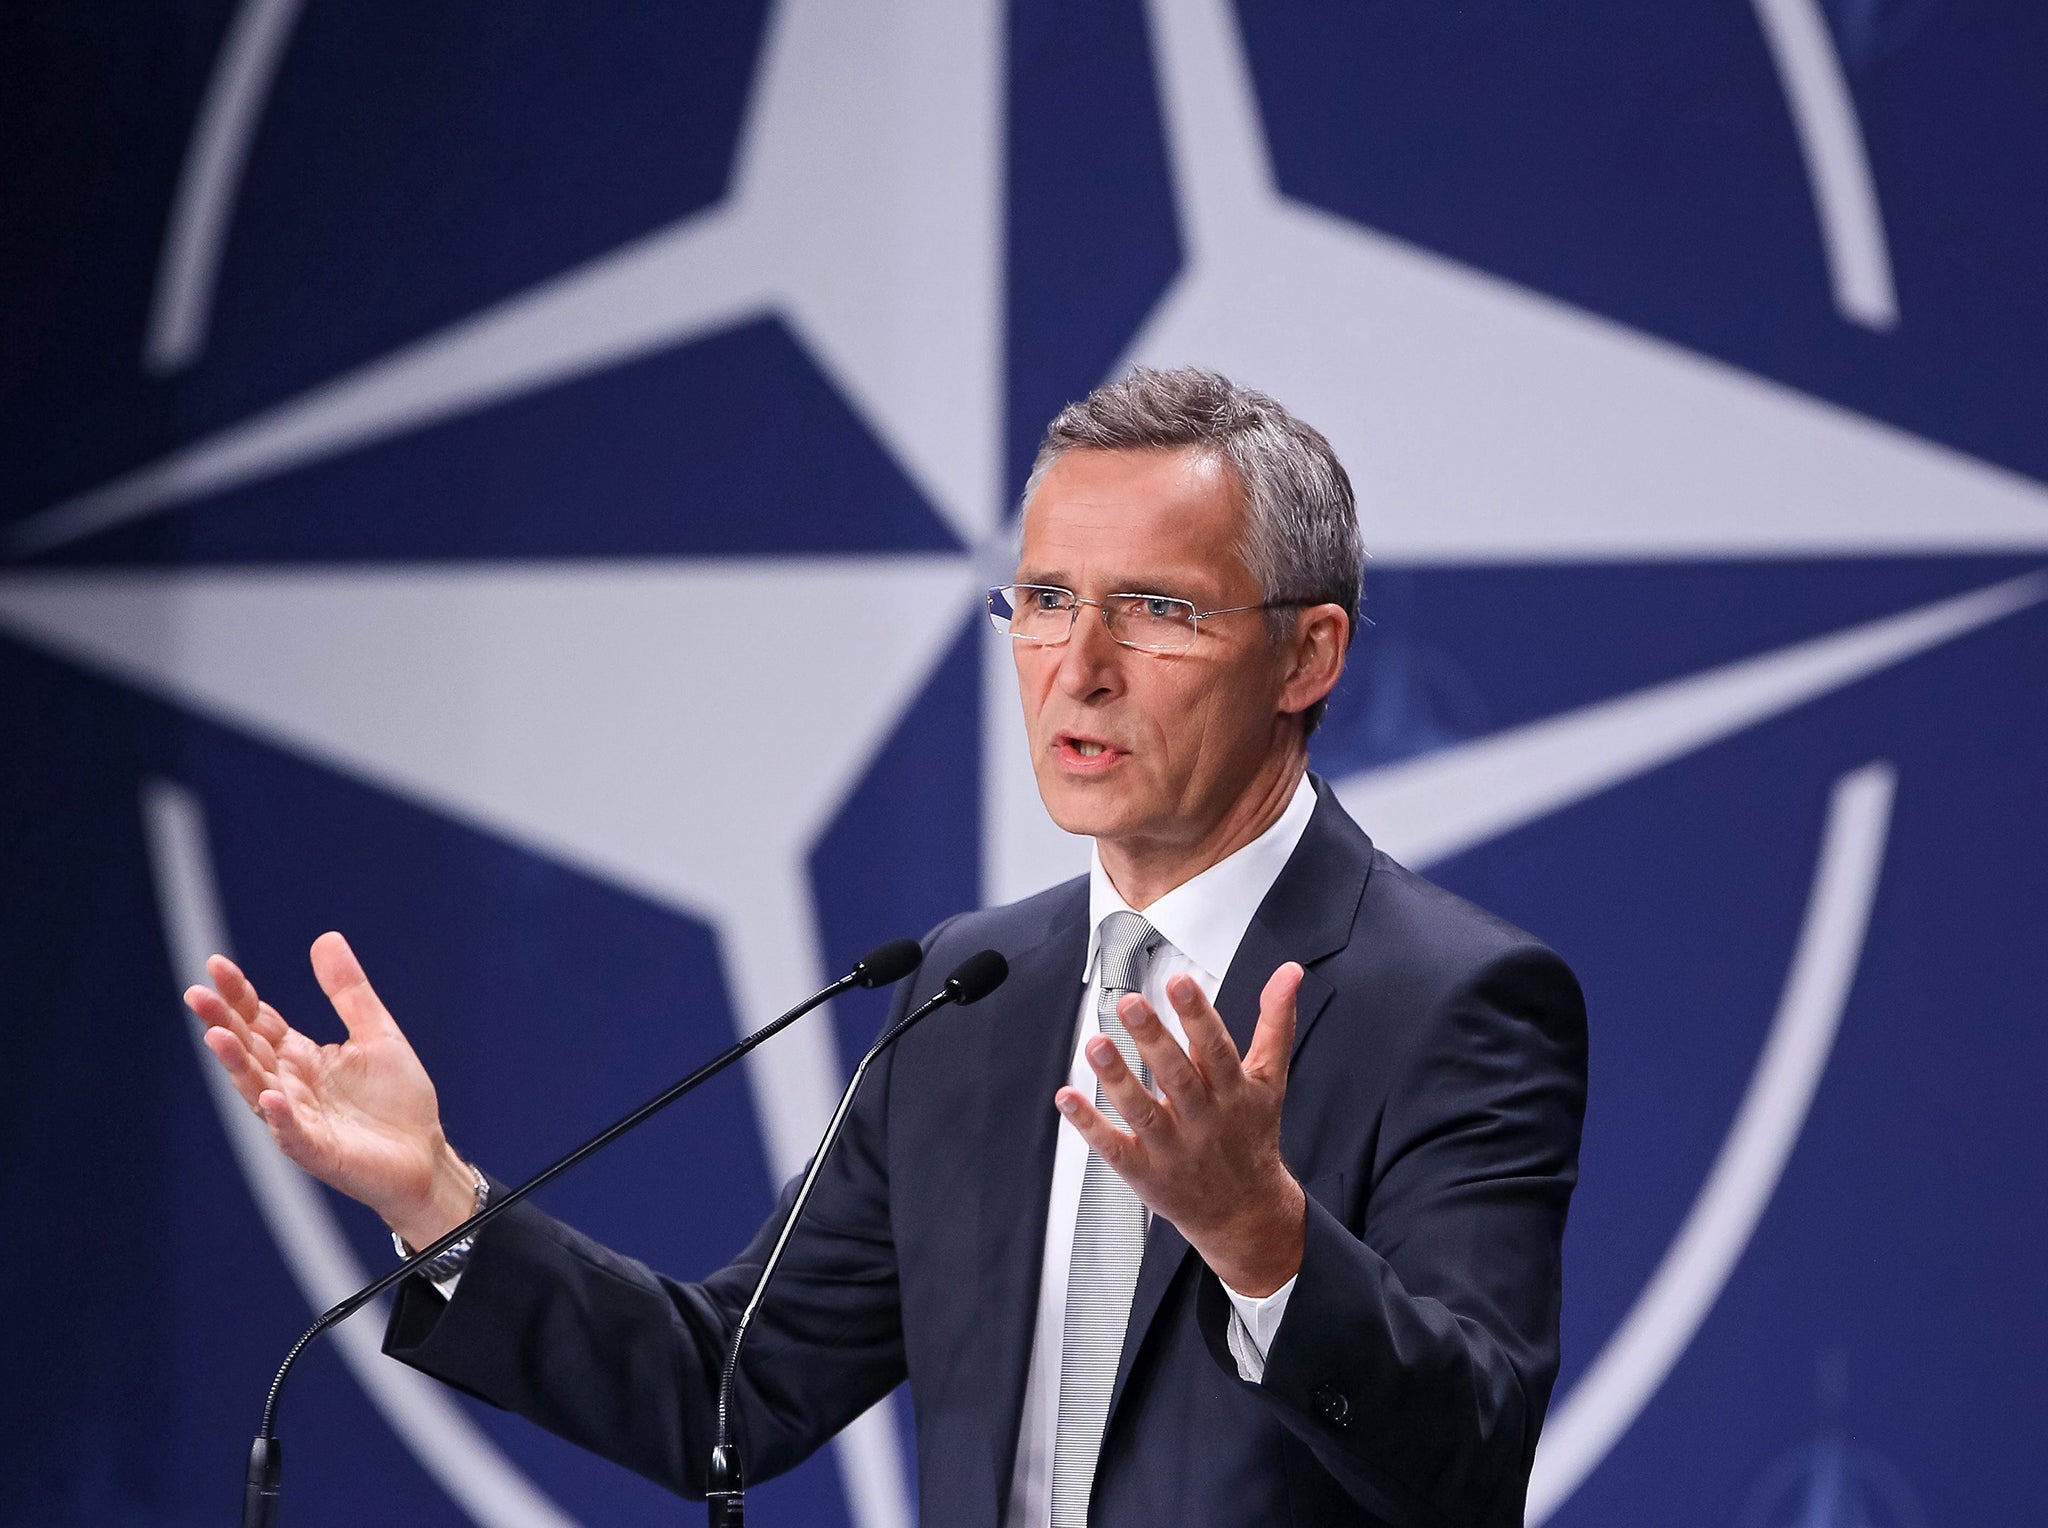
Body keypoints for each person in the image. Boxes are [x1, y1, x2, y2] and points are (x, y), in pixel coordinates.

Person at [188, 367, 1588, 1528]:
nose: (1078, 665)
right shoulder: (972, 996)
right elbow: (729, 1394)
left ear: (1309, 655)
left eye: (1156, 610)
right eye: (1044, 600)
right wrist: (437, 1197)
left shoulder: (1454, 999)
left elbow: (1468, 1468)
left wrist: (1259, 1236)